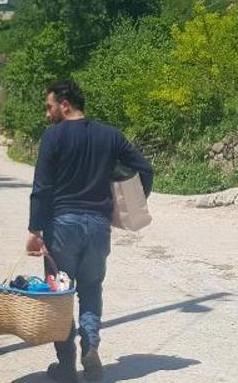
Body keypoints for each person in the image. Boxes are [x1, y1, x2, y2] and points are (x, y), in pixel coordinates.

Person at [26, 79, 153, 383]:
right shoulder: (110, 135)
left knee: (61, 292)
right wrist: (132, 201)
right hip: (98, 225)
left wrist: (35, 229)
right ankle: (91, 347)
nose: (47, 114)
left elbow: (42, 187)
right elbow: (144, 168)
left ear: (64, 104)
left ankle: (67, 366)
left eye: (49, 106)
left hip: (62, 226)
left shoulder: (53, 137)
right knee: (91, 288)